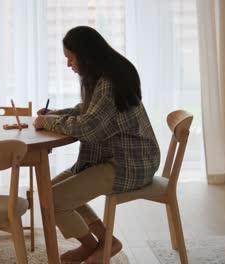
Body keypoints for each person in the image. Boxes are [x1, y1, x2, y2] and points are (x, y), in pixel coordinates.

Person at [33, 26, 160, 264]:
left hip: (129, 163)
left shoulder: (109, 84)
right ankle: (103, 243)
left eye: (70, 58)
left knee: (55, 200)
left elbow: (89, 128)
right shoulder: (104, 78)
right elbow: (87, 112)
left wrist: (49, 121)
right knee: (46, 193)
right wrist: (54, 114)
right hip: (113, 157)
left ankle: (94, 247)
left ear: (86, 54)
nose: (68, 65)